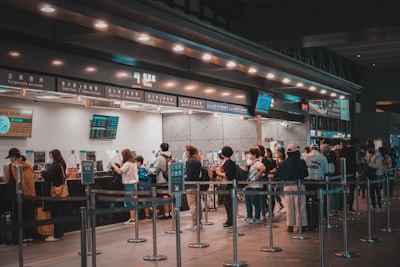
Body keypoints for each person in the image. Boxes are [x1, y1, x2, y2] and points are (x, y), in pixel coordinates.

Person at [5, 148, 36, 242]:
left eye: (10, 157)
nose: (10, 159)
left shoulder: (11, 166)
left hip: (18, 195)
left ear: (13, 157)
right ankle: (31, 236)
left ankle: (22, 237)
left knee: (20, 216)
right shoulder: (28, 165)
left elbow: (7, 179)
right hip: (30, 194)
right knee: (30, 215)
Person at [277, 144, 308, 233]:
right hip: (298, 185)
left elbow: (280, 175)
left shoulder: (282, 163)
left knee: (289, 206)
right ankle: (300, 226)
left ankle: (289, 226)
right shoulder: (301, 162)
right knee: (300, 206)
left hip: (287, 186)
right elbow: (305, 174)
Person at [39, 149, 66, 241]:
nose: (50, 159)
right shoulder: (62, 164)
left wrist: (43, 171)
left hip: (55, 193)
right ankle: (59, 233)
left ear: (54, 156)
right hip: (60, 192)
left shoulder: (55, 166)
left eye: (51, 157)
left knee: (56, 213)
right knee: (58, 212)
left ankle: (57, 235)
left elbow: (48, 176)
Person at [111, 149, 139, 224]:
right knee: (133, 201)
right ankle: (134, 217)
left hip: (129, 185)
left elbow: (120, 171)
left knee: (130, 202)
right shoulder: (134, 163)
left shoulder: (128, 163)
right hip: (134, 184)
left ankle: (133, 219)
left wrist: (114, 166)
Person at [242, 148, 265, 224]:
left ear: (254, 155)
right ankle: (249, 216)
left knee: (255, 201)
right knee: (247, 201)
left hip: (255, 185)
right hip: (248, 185)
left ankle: (257, 217)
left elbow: (263, 168)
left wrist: (258, 175)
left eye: (250, 154)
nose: (249, 155)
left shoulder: (257, 162)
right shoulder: (251, 163)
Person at [215, 146, 236, 228]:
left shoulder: (228, 163)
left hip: (229, 186)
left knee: (228, 203)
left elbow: (229, 175)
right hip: (227, 185)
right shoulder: (228, 162)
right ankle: (229, 220)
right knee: (226, 203)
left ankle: (231, 221)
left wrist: (219, 173)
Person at [151, 142, 172, 219]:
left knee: (165, 195)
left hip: (162, 178)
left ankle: (166, 213)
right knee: (170, 195)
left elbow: (156, 169)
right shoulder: (170, 155)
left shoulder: (160, 157)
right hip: (169, 178)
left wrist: (152, 171)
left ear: (161, 148)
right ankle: (171, 212)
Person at [184, 145, 202, 231]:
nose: (185, 152)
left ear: (188, 152)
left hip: (190, 185)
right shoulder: (197, 160)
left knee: (192, 204)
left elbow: (189, 175)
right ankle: (199, 222)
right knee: (197, 204)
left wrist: (183, 177)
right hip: (197, 184)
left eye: (185, 151)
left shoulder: (189, 161)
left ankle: (194, 223)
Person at [340, 137, 359, 214]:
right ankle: (350, 208)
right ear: (354, 143)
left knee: (343, 190)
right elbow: (353, 162)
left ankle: (342, 207)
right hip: (351, 173)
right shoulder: (353, 150)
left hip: (343, 173)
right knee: (351, 191)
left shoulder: (343, 150)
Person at [366, 144, 384, 213]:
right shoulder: (370, 155)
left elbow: (378, 166)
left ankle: (379, 206)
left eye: (369, 149)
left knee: (377, 191)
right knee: (371, 191)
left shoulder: (377, 156)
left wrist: (369, 164)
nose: (368, 150)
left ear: (372, 148)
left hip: (377, 175)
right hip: (371, 175)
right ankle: (374, 205)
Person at [135, 155, 151, 221]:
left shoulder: (141, 169)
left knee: (145, 201)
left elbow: (144, 177)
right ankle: (148, 215)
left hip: (143, 186)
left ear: (139, 162)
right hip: (144, 186)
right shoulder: (144, 168)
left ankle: (147, 215)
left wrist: (137, 176)